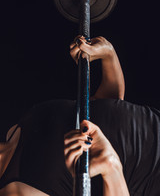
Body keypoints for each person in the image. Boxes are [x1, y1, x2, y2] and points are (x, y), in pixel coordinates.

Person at [0, 36, 159, 196]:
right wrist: (112, 169)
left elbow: (105, 105)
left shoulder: (16, 129)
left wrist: (108, 56)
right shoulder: (14, 191)